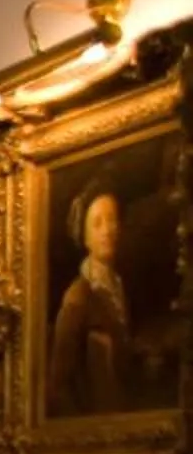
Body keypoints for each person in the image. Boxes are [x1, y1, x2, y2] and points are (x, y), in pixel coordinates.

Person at [48, 179, 140, 418]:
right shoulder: (78, 297)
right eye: (97, 223)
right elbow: (59, 385)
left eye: (112, 220)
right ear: (86, 237)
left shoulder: (118, 286)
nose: (107, 230)